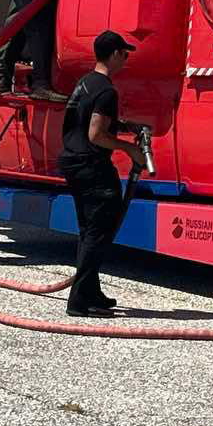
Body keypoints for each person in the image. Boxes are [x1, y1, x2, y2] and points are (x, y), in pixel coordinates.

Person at [58, 30, 142, 317]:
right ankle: (79, 300)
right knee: (99, 229)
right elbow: (95, 134)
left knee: (88, 229)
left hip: (72, 161)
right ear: (115, 54)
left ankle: (91, 290)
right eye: (125, 54)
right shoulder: (107, 90)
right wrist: (128, 149)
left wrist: (123, 125)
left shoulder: (85, 83)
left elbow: (86, 121)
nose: (126, 59)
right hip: (91, 165)